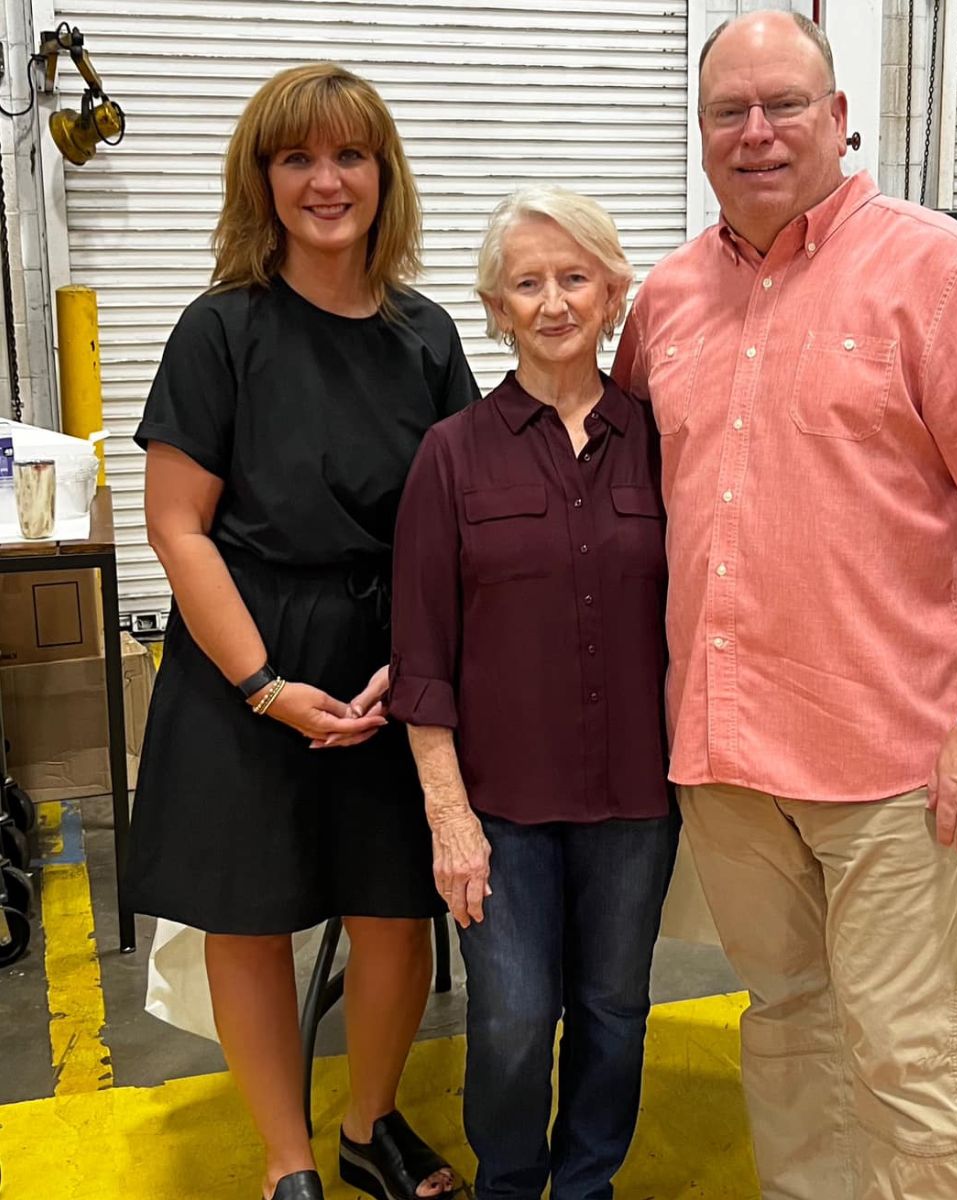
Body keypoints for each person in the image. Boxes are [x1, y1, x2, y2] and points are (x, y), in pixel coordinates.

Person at [611, 12, 957, 1200]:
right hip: (724, 755)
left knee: (906, 1055)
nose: (756, 133)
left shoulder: (939, 271)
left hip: (895, 761)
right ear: (701, 131)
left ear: (839, 118)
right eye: (729, 111)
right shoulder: (662, 300)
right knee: (787, 1024)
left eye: (784, 106)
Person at [125, 64, 477, 1200]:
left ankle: (371, 1125)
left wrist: (416, 664)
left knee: (393, 913)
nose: (326, 181)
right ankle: (290, 1163)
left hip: (385, 663)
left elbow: (467, 513)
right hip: (246, 658)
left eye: (349, 156)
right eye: (297, 159)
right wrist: (266, 685)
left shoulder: (427, 338)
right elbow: (180, 531)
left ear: (384, 174)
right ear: (263, 179)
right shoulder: (219, 331)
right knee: (253, 917)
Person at [387, 185, 679, 1200]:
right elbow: (420, 653)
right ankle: (511, 1184)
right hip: (500, 806)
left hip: (637, 800)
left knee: (614, 1010)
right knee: (511, 1021)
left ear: (613, 294)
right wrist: (449, 815)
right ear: (496, 306)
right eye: (528, 283)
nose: (554, 301)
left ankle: (587, 1184)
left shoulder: (663, 443)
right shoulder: (451, 456)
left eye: (575, 277)